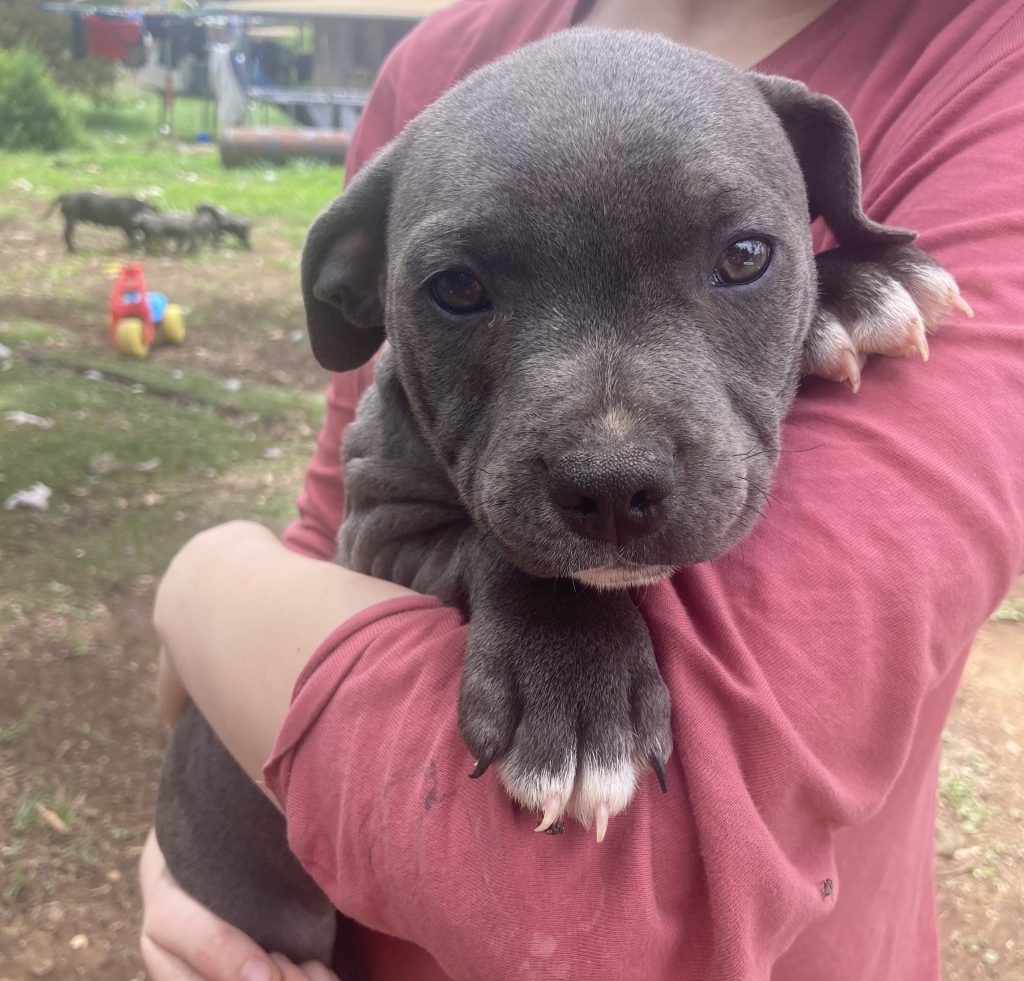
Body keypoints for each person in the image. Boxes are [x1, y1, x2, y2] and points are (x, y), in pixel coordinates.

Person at [140, 0, 1024, 978]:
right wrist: (530, 596)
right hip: (298, 929)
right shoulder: (436, 69)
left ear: (821, 200)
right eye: (463, 293)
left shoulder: (983, 72)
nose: (612, 456)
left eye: (739, 260)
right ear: (361, 284)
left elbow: (612, 901)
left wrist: (204, 587)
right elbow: (350, 533)